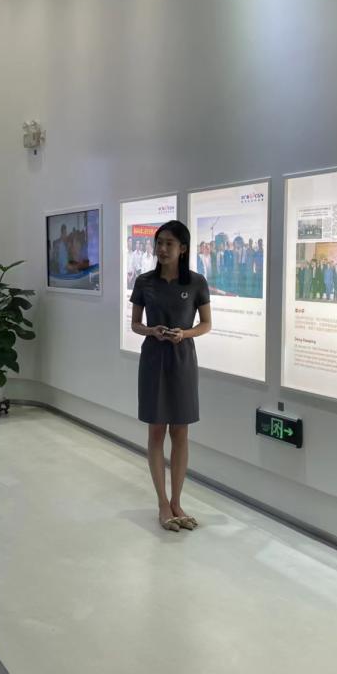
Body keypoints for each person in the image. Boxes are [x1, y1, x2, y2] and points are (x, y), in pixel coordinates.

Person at [129, 220, 212, 533]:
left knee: (180, 431)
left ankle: (177, 501)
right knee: (156, 431)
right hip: (153, 359)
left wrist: (184, 333)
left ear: (183, 248)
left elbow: (206, 324)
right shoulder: (144, 282)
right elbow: (135, 324)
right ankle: (162, 503)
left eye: (169, 243)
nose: (162, 249)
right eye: (159, 242)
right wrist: (151, 330)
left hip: (183, 360)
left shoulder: (197, 283)